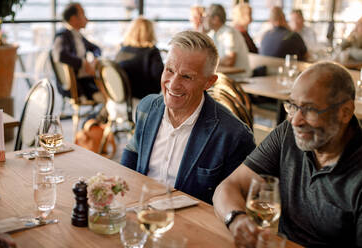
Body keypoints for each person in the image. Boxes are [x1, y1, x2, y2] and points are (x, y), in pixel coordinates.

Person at [213, 61, 362, 247]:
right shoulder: (287, 134)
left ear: (345, 112)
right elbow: (229, 186)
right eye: (292, 106)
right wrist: (236, 220)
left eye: (309, 109)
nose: (296, 120)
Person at [120, 31, 255, 204]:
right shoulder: (147, 107)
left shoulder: (234, 135)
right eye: (169, 70)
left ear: (209, 82)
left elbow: (237, 201)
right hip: (140, 213)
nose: (173, 84)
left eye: (186, 76)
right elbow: (132, 153)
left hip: (193, 225)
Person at [52, 2, 102, 102]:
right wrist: (83, 63)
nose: (86, 18)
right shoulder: (62, 36)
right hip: (77, 85)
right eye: (83, 14)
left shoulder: (77, 35)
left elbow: (96, 49)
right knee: (110, 91)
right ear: (73, 18)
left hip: (86, 79)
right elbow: (60, 55)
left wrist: (94, 59)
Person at [115, 17, 163, 99]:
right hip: (144, 98)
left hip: (123, 97)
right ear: (150, 32)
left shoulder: (122, 50)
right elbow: (160, 79)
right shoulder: (152, 51)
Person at [205, 4, 252, 79]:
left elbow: (229, 61)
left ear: (215, 19)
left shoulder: (229, 32)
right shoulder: (212, 33)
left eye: (206, 16)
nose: (204, 19)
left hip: (239, 78)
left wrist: (210, 62)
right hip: (225, 77)